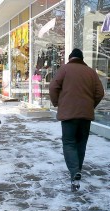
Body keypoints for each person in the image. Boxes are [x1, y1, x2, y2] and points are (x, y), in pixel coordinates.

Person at [49, 48, 104, 192]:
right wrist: (90, 105)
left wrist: (57, 103)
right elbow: (100, 92)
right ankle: (77, 169)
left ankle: (74, 172)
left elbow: (53, 87)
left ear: (70, 58)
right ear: (82, 59)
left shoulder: (65, 69)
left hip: (69, 115)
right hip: (85, 115)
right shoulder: (91, 72)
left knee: (69, 142)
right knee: (81, 143)